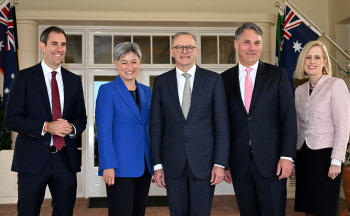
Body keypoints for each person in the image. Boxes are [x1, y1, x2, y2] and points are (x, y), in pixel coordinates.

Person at [4, 26, 87, 216]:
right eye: (54, 43)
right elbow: (11, 120)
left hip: (65, 160)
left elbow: (81, 117)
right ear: (43, 46)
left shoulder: (74, 80)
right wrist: (46, 127)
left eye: (63, 44)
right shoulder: (24, 77)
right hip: (31, 161)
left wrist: (72, 128)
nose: (60, 48)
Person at [221, 23, 297, 216]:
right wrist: (224, 162)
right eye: (246, 42)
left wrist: (287, 157)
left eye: (257, 43)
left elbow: (288, 118)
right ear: (236, 44)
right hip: (239, 163)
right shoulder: (223, 80)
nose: (252, 48)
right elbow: (223, 124)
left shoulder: (277, 75)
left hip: (273, 163)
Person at [150, 32, 230, 216]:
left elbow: (222, 125)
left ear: (196, 51)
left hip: (205, 164)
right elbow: (155, 127)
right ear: (172, 52)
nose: (184, 51)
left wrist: (220, 163)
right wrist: (157, 165)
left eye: (189, 47)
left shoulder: (213, 80)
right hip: (172, 164)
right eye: (179, 47)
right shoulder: (161, 82)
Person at [95, 42, 153, 216]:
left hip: (144, 165)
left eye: (134, 61)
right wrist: (107, 165)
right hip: (119, 167)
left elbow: (150, 127)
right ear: (115, 63)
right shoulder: (107, 91)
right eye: (124, 62)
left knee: (138, 212)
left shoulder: (147, 91)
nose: (129, 67)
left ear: (140, 62)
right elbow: (103, 131)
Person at [292, 41, 350, 216]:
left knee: (324, 208)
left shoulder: (336, 85)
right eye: (308, 57)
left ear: (324, 61)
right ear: (303, 62)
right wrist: (294, 160)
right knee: (309, 208)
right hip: (304, 154)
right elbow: (296, 126)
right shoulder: (299, 90)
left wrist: (336, 161)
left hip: (326, 157)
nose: (312, 61)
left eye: (317, 57)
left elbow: (343, 126)